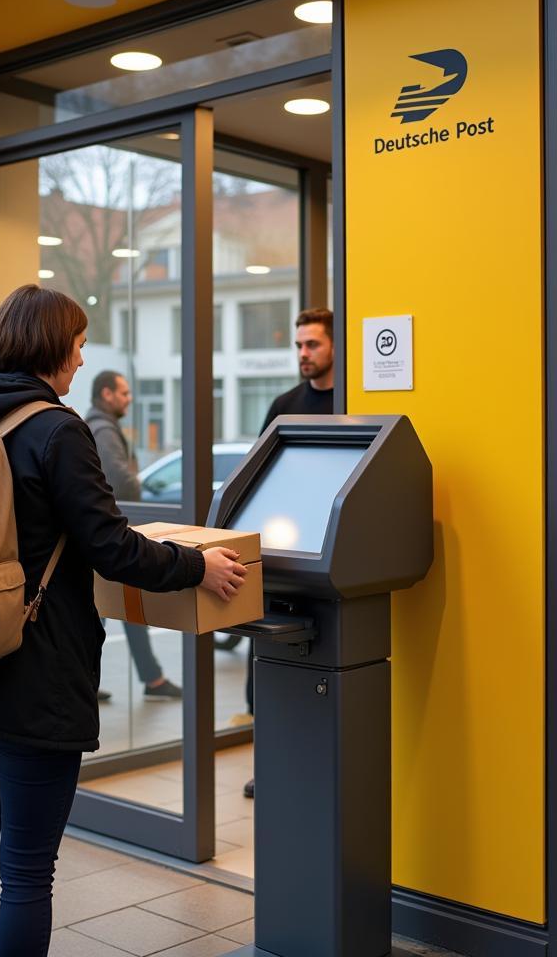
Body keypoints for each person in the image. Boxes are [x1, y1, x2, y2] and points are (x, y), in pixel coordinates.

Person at [0, 284, 246, 957]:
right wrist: (196, 567)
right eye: (79, 344)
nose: (82, 357)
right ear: (53, 348)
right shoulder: (56, 429)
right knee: (28, 872)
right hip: (32, 673)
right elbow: (110, 545)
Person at [241, 306, 334, 799]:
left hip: (331, 549)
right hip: (284, 545)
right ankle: (270, 762)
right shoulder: (284, 404)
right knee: (266, 668)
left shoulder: (354, 399)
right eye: (299, 345)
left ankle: (315, 764)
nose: (303, 353)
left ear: (334, 346)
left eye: (313, 344)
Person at [86, 370, 183, 701]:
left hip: (102, 534)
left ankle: (146, 678)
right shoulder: (102, 429)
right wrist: (138, 487)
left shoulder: (101, 427)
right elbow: (121, 480)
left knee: (114, 608)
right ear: (107, 394)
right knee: (112, 607)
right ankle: (149, 679)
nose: (129, 399)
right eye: (124, 393)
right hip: (109, 533)